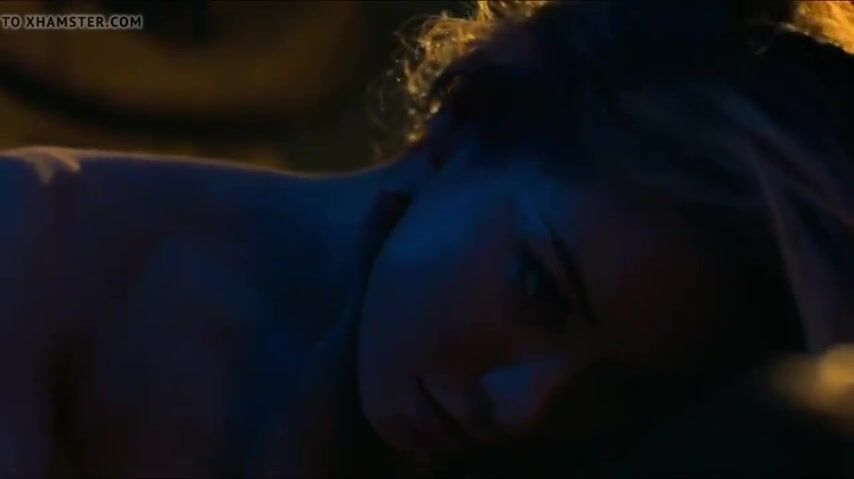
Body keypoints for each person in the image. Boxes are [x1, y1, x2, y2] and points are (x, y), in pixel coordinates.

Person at [0, 1, 852, 477]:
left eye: (623, 393)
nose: (524, 408)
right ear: (470, 116)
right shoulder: (36, 241)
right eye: (540, 291)